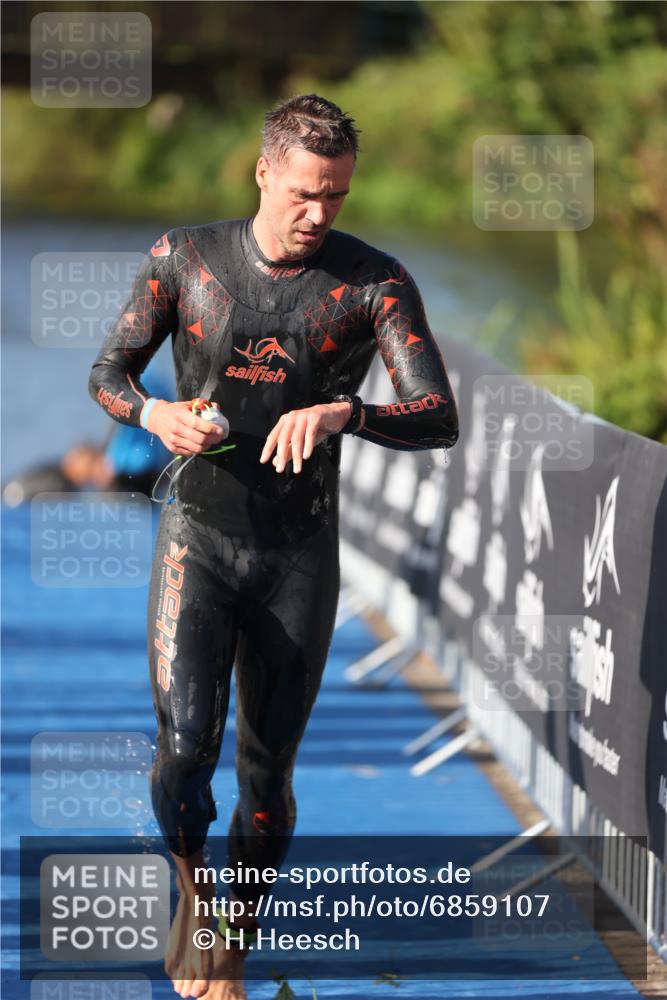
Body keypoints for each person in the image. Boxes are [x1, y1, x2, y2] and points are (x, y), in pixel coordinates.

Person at [88, 93, 459, 1000]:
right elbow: (108, 372)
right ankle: (193, 888)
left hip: (298, 552)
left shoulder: (373, 283)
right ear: (263, 172)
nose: (317, 213)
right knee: (183, 751)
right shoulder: (185, 259)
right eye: (302, 192)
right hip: (198, 535)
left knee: (265, 772)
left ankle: (234, 948)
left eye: (334, 195)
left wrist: (347, 411)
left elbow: (438, 415)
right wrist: (154, 413)